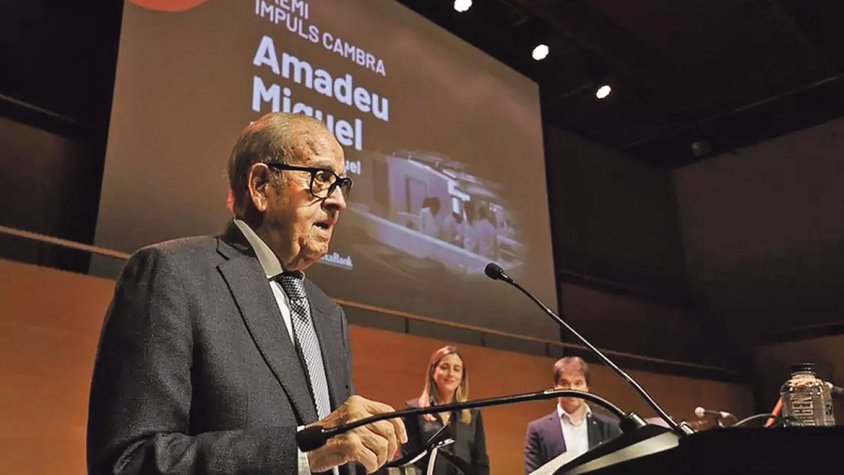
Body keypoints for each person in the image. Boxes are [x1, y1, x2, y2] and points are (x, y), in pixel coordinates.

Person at [87, 112, 406, 475]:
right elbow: (129, 461)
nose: (339, 203)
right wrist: (300, 454)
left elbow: (336, 456)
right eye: (320, 178)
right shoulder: (171, 274)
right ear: (261, 186)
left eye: (341, 184)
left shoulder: (328, 313)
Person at [523, 357, 620, 474]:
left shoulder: (609, 427)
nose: (572, 389)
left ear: (587, 387)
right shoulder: (537, 429)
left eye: (578, 383)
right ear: (555, 387)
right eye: (565, 383)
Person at [402, 346, 489, 475]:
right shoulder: (414, 410)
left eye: (456, 369)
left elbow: (481, 462)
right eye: (444, 367)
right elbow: (410, 462)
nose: (451, 374)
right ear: (433, 372)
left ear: (462, 376)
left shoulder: (472, 413)